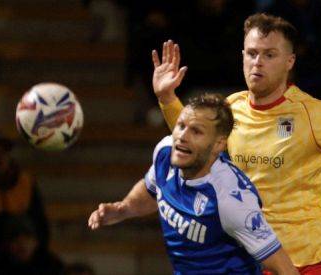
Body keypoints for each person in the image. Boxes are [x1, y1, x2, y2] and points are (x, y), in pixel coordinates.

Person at [152, 13, 321, 274]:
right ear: (242, 56)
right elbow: (193, 143)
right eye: (252, 53)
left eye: (269, 55)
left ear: (289, 61)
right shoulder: (231, 108)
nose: (258, 63)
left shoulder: (317, 115)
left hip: (313, 264)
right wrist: (167, 98)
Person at [88, 93, 298, 274]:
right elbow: (152, 190)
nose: (182, 137)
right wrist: (123, 209)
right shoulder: (165, 153)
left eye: (196, 131)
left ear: (218, 145)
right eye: (181, 126)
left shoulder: (232, 200)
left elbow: (285, 269)